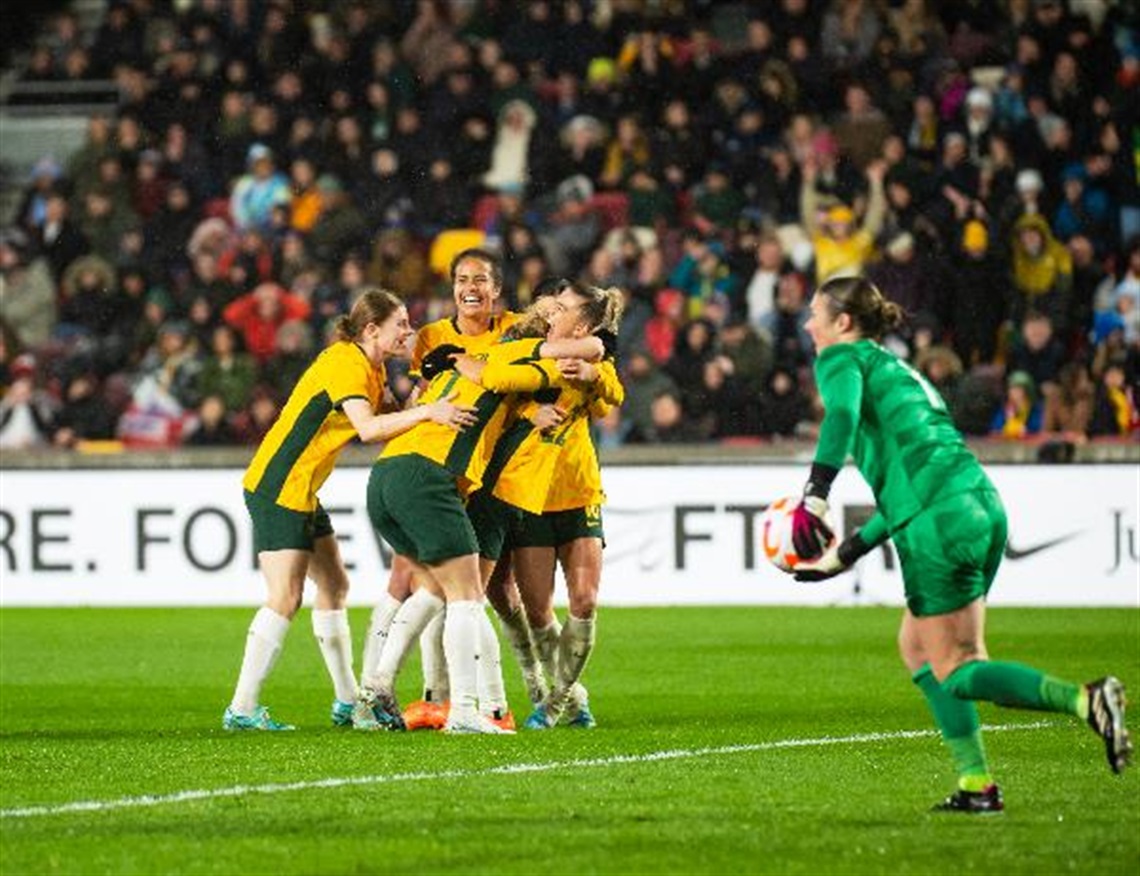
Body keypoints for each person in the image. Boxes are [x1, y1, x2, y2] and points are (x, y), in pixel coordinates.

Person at [786, 275, 1131, 812]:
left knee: (959, 666)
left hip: (937, 522)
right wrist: (847, 553)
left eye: (815, 313)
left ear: (843, 323)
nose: (808, 324)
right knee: (917, 646)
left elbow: (843, 417)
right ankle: (976, 784)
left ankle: (1086, 700)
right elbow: (909, 484)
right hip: (977, 503)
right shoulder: (898, 369)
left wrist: (816, 494)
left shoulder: (839, 359)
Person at [223, 288, 478, 731]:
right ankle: (242, 709)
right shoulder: (344, 362)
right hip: (278, 486)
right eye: (401, 324)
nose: (409, 331)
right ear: (371, 329)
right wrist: (429, 413)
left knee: (335, 585)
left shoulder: (371, 368)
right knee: (285, 597)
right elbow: (368, 428)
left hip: (303, 489)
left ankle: (345, 701)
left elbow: (396, 420)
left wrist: (425, 397)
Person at [356, 282, 605, 734]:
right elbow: (503, 379)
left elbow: (596, 364)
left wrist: (453, 358)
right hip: (431, 478)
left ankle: (376, 692)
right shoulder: (533, 361)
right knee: (467, 598)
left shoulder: (469, 364)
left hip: (387, 476)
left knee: (435, 589)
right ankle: (469, 711)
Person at [453, 280, 626, 730]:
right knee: (538, 611)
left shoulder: (590, 360)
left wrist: (596, 375)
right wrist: (529, 412)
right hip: (530, 495)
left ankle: (558, 701)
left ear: (584, 324)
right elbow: (495, 393)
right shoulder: (526, 349)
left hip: (578, 490)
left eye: (562, 307)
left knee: (585, 601)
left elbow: (613, 395)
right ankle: (567, 697)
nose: (551, 311)